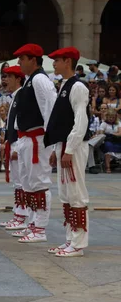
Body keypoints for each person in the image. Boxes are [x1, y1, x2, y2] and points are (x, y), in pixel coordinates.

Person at [45, 47, 91, 257]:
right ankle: (70, 239)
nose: (54, 64)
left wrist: (70, 149)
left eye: (57, 60)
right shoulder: (64, 85)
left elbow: (81, 121)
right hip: (63, 145)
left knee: (76, 194)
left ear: (68, 61)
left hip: (74, 147)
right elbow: (62, 122)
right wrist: (57, 148)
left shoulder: (78, 87)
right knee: (66, 195)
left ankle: (79, 243)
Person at [13, 44, 57, 244]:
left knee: (39, 182)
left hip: (38, 139)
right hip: (26, 138)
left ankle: (40, 228)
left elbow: (50, 111)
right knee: (28, 183)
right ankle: (33, 222)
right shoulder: (30, 81)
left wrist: (52, 143)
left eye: (22, 58)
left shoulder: (40, 80)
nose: (19, 62)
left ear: (33, 59)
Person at [0, 65, 30, 231]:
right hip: (13, 141)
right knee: (17, 182)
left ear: (18, 78)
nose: (6, 81)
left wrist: (17, 147)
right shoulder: (14, 97)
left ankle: (23, 215)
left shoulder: (22, 96)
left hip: (19, 142)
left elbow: (21, 123)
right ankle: (19, 214)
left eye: (9, 77)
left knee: (22, 182)